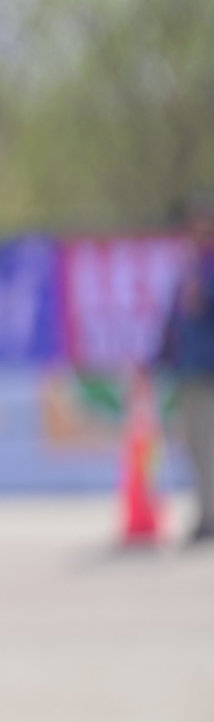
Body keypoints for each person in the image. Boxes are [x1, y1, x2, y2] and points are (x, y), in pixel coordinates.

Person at [155, 189, 214, 544]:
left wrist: (204, 296)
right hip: (187, 369)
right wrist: (157, 359)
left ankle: (210, 516)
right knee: (191, 443)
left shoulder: (206, 270)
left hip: (208, 370)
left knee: (207, 444)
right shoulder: (188, 267)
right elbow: (173, 323)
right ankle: (205, 511)